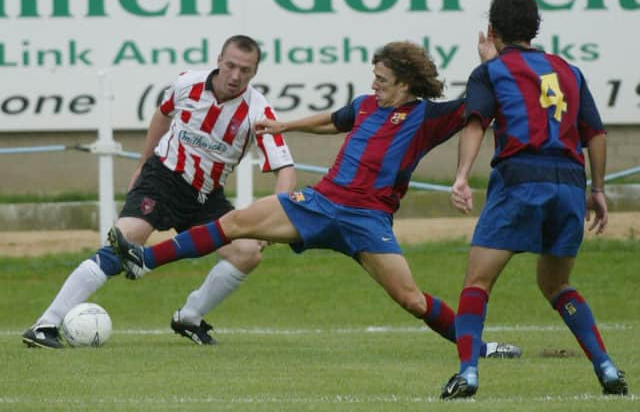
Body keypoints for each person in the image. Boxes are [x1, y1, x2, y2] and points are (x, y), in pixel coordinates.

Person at [109, 40, 522, 359]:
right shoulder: (365, 106)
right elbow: (331, 120)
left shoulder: (430, 117)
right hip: (319, 202)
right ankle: (143, 259)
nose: (373, 84)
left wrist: (491, 61)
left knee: (411, 299)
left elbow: (477, 100)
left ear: (405, 82)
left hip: (368, 220)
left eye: (381, 78)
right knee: (235, 224)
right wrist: (285, 124)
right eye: (373, 76)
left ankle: (478, 348)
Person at [22, 35, 296, 348]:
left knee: (247, 253)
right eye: (230, 65)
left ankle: (189, 317)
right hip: (163, 177)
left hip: (206, 195)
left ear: (255, 72)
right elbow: (162, 114)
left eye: (245, 70)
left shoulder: (259, 113)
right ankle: (45, 325)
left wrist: (272, 220)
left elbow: (285, 169)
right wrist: (141, 163)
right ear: (219, 60)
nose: (235, 75)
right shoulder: (187, 84)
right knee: (124, 240)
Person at [440, 0, 628, 399]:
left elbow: (476, 122)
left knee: (478, 280)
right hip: (569, 184)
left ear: (492, 30)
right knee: (557, 284)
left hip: (521, 179)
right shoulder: (569, 70)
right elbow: (594, 133)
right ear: (535, 29)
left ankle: (468, 373)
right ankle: (607, 365)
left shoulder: (489, 72)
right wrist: (597, 189)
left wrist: (460, 176)